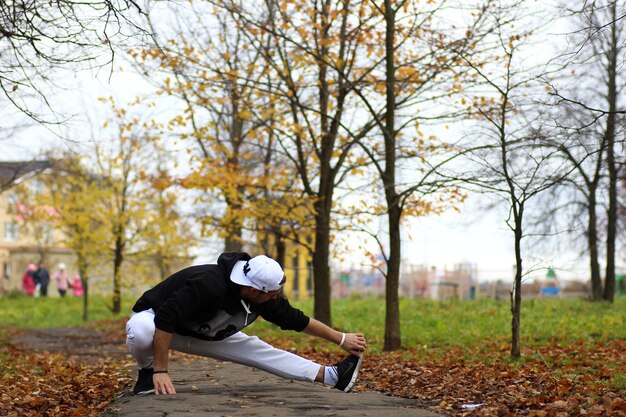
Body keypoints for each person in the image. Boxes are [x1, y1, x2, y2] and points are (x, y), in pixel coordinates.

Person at [126, 252, 367, 396]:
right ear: (253, 289)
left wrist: (341, 338)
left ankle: (332, 376)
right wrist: (160, 370)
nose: (275, 297)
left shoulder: (261, 295)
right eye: (272, 293)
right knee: (142, 332)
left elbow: (298, 320)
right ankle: (146, 372)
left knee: (259, 349)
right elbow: (166, 317)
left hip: (203, 332)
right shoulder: (208, 284)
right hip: (157, 321)